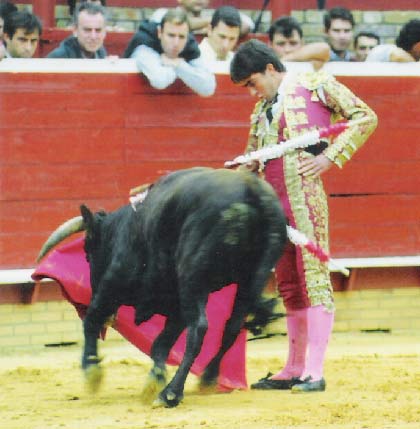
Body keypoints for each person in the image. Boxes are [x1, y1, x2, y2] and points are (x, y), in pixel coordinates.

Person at [230, 39, 377, 392]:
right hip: (272, 204)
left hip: (305, 198)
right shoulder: (262, 111)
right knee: (289, 282)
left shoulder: (316, 84)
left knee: (313, 277)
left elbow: (365, 117)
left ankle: (314, 369)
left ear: (269, 69)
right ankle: (294, 367)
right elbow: (253, 157)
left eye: (252, 82)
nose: (252, 93)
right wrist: (248, 165)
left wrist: (331, 158)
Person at [125, 8, 215, 96]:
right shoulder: (144, 41)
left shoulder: (189, 44)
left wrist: (178, 64)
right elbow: (160, 80)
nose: (176, 43)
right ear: (160, 32)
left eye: (182, 37)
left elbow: (208, 88)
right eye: (171, 35)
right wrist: (183, 68)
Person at [150, 0, 254, 36]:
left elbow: (247, 24)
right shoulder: (162, 13)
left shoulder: (212, 16)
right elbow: (177, 21)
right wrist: (214, 21)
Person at [199, 5, 241, 73]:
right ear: (209, 30)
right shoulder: (194, 59)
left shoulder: (239, 63)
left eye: (232, 39)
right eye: (222, 37)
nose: (226, 45)